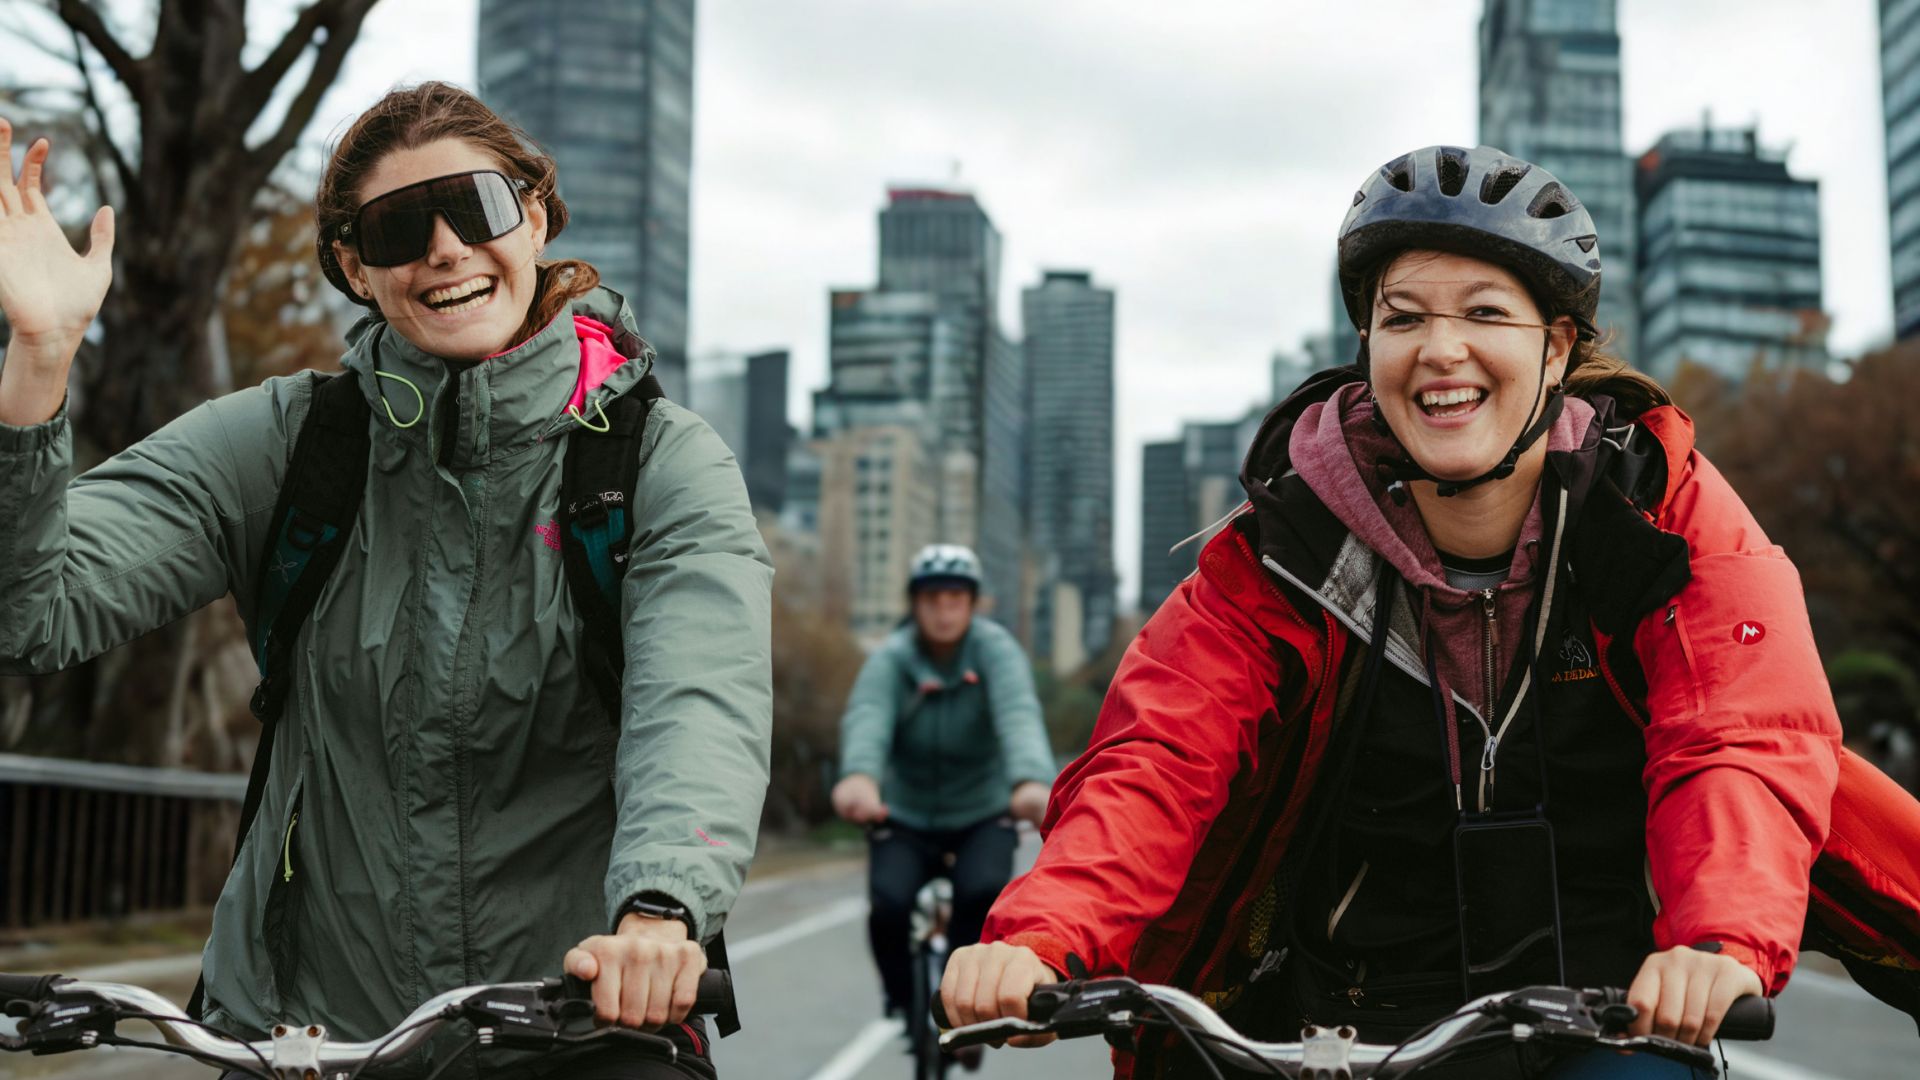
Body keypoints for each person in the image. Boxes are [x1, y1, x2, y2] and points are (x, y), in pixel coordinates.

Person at [939, 145, 1855, 1078]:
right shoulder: (1280, 551)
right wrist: (1041, 934)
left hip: (1599, 1018)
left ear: (1558, 346)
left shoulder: (1660, 511)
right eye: (1402, 317)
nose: (1440, 350)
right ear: (1367, 346)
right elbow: (1158, 757)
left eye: (1487, 313)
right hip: (1336, 1024)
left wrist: (1721, 940)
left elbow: (1742, 733)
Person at [0, 83, 771, 1079]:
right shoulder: (287, 444)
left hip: (581, 1019)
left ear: (532, 218)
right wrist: (37, 366)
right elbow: (32, 612)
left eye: (478, 208)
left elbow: (697, 702)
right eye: (400, 228)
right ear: (358, 271)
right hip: (311, 1036)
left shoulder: (657, 462)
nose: (445, 249)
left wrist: (660, 915)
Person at [832, 544, 1055, 1026]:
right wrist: (859, 777)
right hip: (905, 812)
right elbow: (868, 716)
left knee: (984, 893)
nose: (943, 609)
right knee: (888, 904)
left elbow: (1019, 716)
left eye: (955, 597)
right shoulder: (892, 658)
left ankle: (965, 1007)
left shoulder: (995, 652)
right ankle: (899, 995)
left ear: (973, 603)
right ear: (915, 604)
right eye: (932, 598)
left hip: (983, 809)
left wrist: (1030, 783)